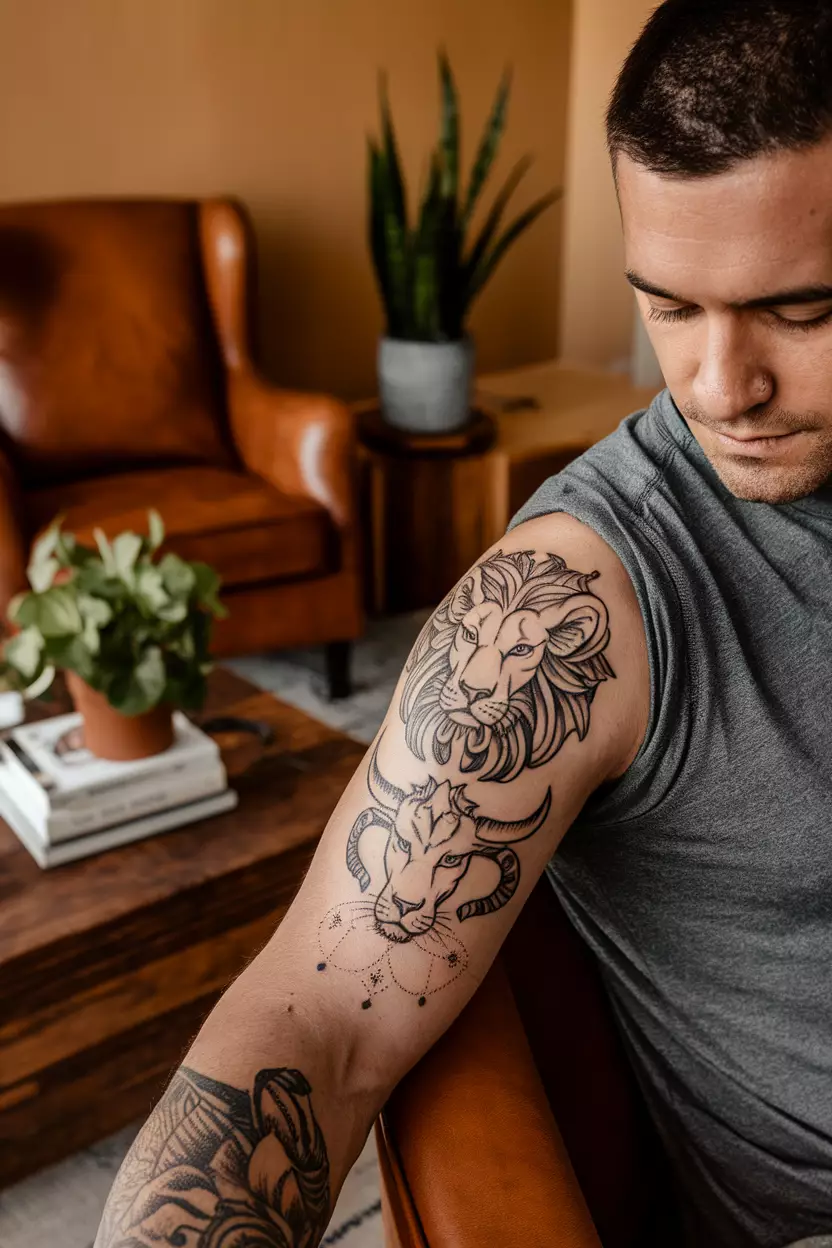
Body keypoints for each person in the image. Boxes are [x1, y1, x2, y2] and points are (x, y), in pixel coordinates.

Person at [94, 2, 832, 1245]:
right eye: (667, 306)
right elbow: (316, 1026)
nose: (719, 388)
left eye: (801, 313)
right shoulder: (576, 599)